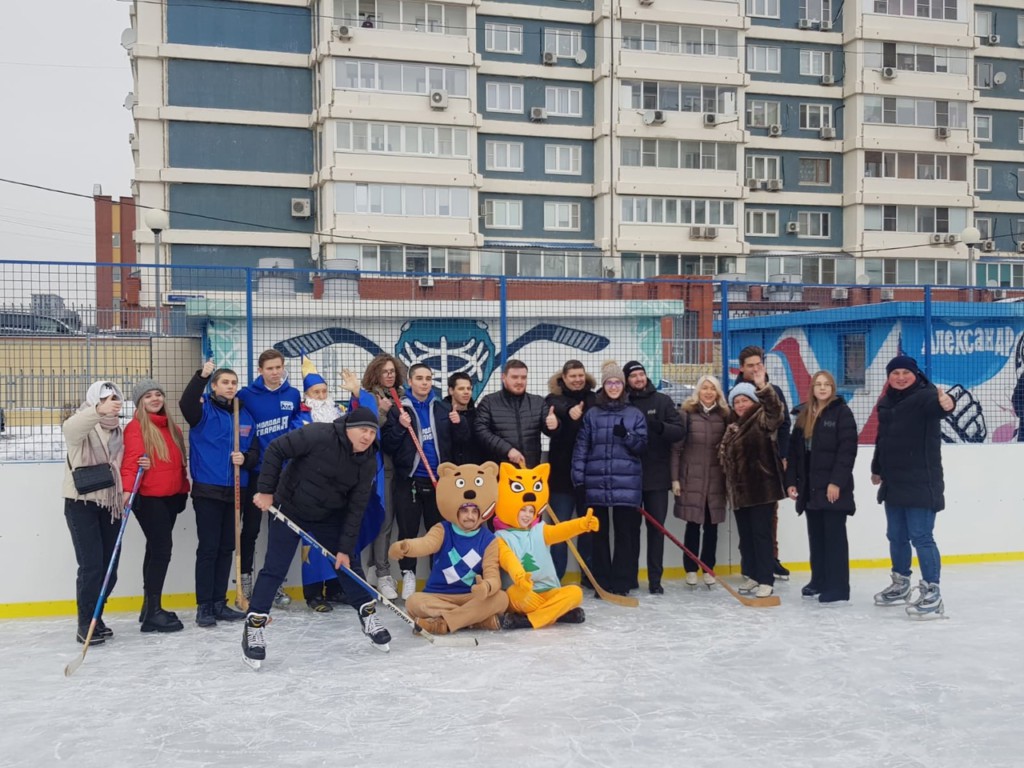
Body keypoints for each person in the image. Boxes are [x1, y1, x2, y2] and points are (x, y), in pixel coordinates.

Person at [244, 407, 390, 665]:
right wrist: (266, 491)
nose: (367, 437)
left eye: (371, 431)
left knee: (349, 564)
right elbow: (277, 449)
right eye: (362, 430)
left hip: (329, 515)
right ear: (348, 427)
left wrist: (344, 548)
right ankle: (254, 627)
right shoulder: (318, 434)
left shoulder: (367, 460)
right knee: (275, 569)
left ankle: (368, 617)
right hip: (290, 507)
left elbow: (356, 508)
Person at [871, 354, 955, 619]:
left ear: (915, 374)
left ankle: (932, 591)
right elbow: (882, 439)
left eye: (905, 372)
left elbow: (941, 408)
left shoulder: (927, 396)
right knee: (896, 535)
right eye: (894, 373)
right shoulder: (886, 403)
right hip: (894, 481)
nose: (900, 377)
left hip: (921, 481)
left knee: (921, 536)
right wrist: (876, 468)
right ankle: (901, 583)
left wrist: (948, 404)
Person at [179, 361, 259, 627]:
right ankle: (204, 605)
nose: (230, 387)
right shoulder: (202, 411)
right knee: (209, 548)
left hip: (236, 490)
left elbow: (255, 452)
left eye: (234, 383)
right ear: (214, 386)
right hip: (208, 490)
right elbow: (185, 403)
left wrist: (245, 458)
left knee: (227, 547)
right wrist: (201, 375)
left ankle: (218, 603)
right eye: (225, 382)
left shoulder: (244, 415)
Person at [381, 363, 469, 600]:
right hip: (408, 482)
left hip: (439, 483)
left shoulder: (442, 408)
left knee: (437, 532)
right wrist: (400, 428)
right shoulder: (400, 410)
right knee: (408, 531)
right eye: (419, 378)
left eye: (428, 378)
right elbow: (387, 444)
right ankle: (408, 574)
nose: (424, 382)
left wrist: (458, 423)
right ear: (410, 382)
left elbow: (462, 442)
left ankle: (436, 578)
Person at [63, 381, 131, 645]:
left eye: (115, 398)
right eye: (106, 398)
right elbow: (70, 430)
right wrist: (97, 410)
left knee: (109, 568)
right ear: (95, 401)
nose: (112, 403)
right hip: (81, 502)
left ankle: (96, 617)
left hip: (110, 503)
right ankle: (84, 623)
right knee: (91, 566)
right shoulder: (83, 424)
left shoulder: (118, 432)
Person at [571, 361, 648, 595]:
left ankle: (622, 582)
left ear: (623, 386)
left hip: (626, 485)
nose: (613, 386)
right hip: (597, 484)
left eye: (617, 382)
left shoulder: (634, 414)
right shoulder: (592, 414)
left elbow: (642, 446)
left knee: (625, 535)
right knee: (598, 535)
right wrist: (579, 479)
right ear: (603, 386)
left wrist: (627, 436)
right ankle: (602, 581)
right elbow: (581, 448)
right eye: (609, 382)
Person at [121, 379, 190, 633]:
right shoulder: (136, 428)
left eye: (158, 394)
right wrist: (128, 492)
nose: (155, 399)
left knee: (155, 549)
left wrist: (183, 489)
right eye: (148, 395)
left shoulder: (172, 428)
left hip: (170, 498)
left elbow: (179, 464)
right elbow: (131, 463)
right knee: (162, 551)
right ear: (139, 402)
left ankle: (149, 607)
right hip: (149, 498)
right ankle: (153, 613)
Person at [785, 371, 858, 603]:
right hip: (810, 489)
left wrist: (836, 482)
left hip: (832, 488)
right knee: (816, 536)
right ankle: (819, 580)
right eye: (819, 384)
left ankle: (838, 587)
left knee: (834, 538)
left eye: (827, 384)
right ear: (813, 388)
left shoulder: (842, 413)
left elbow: (847, 452)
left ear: (833, 388)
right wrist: (791, 482)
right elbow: (795, 453)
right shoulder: (804, 414)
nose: (823, 388)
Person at [237, 349, 300, 607]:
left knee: (280, 532)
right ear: (260, 370)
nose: (275, 373)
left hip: (285, 475)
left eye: (279, 367)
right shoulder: (245, 395)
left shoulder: (293, 395)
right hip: (256, 473)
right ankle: (246, 583)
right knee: (250, 530)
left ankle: (274, 585)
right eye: (270, 368)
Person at [719, 376, 786, 599]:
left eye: (744, 400)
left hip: (760, 490)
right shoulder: (732, 426)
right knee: (746, 537)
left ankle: (766, 579)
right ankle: (753, 575)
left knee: (761, 535)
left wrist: (764, 389)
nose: (740, 405)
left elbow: (776, 412)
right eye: (736, 401)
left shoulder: (761, 419)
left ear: (753, 401)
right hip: (740, 493)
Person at [623, 361, 685, 594]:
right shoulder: (623, 402)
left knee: (656, 529)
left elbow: (679, 431)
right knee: (630, 531)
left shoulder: (662, 401)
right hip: (629, 479)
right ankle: (629, 577)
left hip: (657, 478)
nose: (638, 379)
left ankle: (655, 580)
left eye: (641, 374)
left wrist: (660, 427)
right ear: (627, 380)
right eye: (633, 375)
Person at [291, 356, 347, 611]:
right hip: (311, 489)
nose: (322, 395)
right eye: (316, 392)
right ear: (307, 394)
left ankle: (335, 588)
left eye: (324, 391)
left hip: (337, 488)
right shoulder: (298, 418)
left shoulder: (339, 414)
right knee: (312, 543)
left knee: (336, 538)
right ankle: (313, 593)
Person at [351, 353, 406, 600]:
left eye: (392, 371)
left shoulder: (401, 396)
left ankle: (375, 567)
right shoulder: (368, 398)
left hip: (401, 467)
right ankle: (383, 573)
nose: (390, 375)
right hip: (376, 468)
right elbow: (364, 431)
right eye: (385, 371)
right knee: (382, 519)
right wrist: (381, 413)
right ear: (375, 373)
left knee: (390, 519)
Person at [735, 346, 792, 580]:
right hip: (744, 469)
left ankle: (771, 560)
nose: (755, 369)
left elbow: (784, 423)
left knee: (769, 516)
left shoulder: (772, 390)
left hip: (768, 463)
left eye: (759, 364)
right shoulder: (738, 393)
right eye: (750, 365)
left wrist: (783, 454)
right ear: (742, 368)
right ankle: (751, 567)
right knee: (748, 524)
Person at [671, 375, 730, 588]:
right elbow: (677, 449)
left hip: (715, 479)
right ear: (698, 391)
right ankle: (690, 568)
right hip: (691, 479)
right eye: (704, 388)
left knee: (712, 525)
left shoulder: (724, 416)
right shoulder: (686, 414)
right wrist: (675, 479)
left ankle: (708, 568)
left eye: (712, 389)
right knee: (693, 524)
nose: (708, 392)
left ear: (717, 393)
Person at [543, 360, 596, 581]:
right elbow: (553, 418)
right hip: (561, 478)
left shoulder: (594, 400)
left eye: (580, 375)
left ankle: (590, 577)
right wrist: (564, 416)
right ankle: (556, 577)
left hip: (589, 477)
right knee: (560, 530)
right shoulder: (553, 401)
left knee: (588, 530)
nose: (577, 379)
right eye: (572, 376)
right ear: (563, 378)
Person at [474, 359, 549, 468]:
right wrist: (507, 450)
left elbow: (550, 431)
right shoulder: (489, 401)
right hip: (499, 471)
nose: (519, 381)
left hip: (530, 471)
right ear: (503, 377)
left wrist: (555, 425)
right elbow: (480, 430)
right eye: (514, 377)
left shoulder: (538, 402)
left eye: (523, 377)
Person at [445, 372, 479, 466]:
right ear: (451, 390)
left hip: (474, 471)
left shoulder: (478, 415)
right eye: (461, 389)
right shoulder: (441, 413)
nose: (466, 392)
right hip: (449, 472)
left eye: (469, 388)